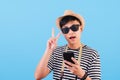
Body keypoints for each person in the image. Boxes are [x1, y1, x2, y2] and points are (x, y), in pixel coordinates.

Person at [34, 10, 101, 80]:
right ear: (63, 33)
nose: (71, 32)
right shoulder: (57, 51)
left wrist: (82, 74)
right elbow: (38, 76)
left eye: (74, 28)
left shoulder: (92, 54)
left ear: (80, 29)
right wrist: (48, 50)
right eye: (66, 30)